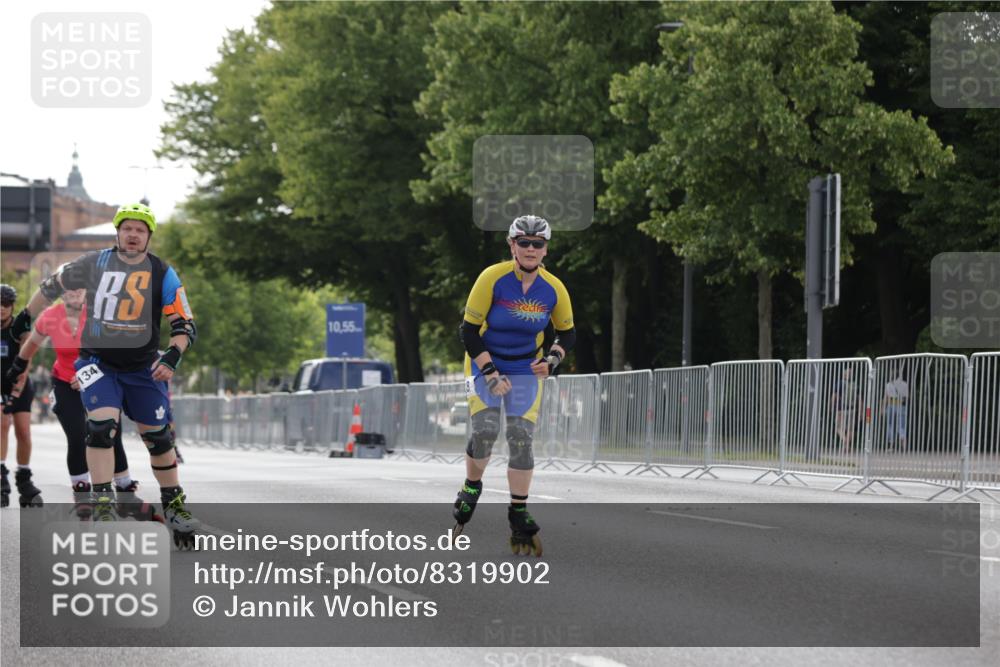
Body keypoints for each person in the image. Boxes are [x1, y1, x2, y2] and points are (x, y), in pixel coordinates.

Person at [4, 202, 199, 547]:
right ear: (118, 233)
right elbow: (51, 286)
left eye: (140, 230)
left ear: (148, 237)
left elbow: (183, 325)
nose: (133, 235)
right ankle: (103, 503)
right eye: (127, 229)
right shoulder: (94, 263)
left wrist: (172, 354)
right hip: (98, 362)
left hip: (142, 367)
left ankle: (174, 504)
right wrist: (24, 316)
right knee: (100, 428)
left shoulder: (163, 272)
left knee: (158, 439)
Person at [451, 215, 576, 556]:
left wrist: (552, 360)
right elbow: (467, 332)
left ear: (546, 248)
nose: (531, 249)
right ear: (512, 245)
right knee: (486, 431)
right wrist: (490, 372)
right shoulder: (492, 278)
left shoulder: (553, 288)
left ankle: (518, 512)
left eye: (538, 244)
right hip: (483, 361)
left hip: (523, 367)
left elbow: (567, 332)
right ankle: (472, 485)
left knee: (521, 438)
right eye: (524, 243)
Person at [15, 286, 160, 520]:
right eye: (67, 290)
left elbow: (112, 350)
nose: (72, 293)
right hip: (64, 382)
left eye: (78, 289)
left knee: (109, 431)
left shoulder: (99, 314)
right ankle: (82, 495)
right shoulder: (51, 316)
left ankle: (125, 493)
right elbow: (31, 345)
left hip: (98, 377)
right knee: (78, 434)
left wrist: (87, 375)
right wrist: (17, 368)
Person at [1, 284, 43, 507]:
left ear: (12, 306)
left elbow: (25, 361)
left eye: (6, 304)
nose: (1, 308)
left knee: (24, 432)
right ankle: (1, 478)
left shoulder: (20, 325)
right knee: (2, 424)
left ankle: (24, 480)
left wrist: (16, 393)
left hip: (19, 382)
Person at [883, 368, 909, 451]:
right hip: (901, 406)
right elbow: (907, 397)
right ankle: (904, 447)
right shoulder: (905, 384)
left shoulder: (888, 385)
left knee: (890, 425)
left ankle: (891, 446)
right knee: (902, 426)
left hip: (891, 405)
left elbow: (886, 398)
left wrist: (883, 408)